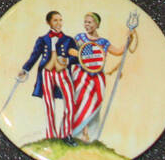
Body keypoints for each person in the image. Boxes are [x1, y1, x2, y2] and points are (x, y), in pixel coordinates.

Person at [17, 11, 79, 142]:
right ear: (48, 22)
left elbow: (77, 57)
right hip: (47, 73)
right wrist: (25, 69)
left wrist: (68, 60)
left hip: (63, 73)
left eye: (60, 20)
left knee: (70, 102)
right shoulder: (42, 39)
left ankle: (66, 134)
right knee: (49, 104)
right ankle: (51, 135)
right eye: (55, 20)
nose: (59, 23)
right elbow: (34, 56)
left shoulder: (69, 40)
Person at [68, 12, 130, 140]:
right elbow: (69, 49)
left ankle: (91, 135)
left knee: (94, 104)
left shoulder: (103, 42)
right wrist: (80, 54)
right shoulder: (79, 38)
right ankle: (79, 133)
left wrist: (129, 40)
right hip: (81, 76)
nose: (87, 24)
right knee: (80, 103)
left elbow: (118, 51)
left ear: (97, 24)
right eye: (85, 22)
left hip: (97, 78)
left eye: (89, 22)